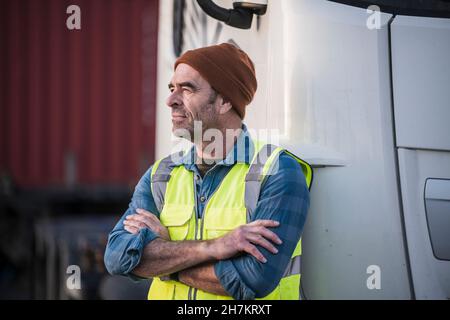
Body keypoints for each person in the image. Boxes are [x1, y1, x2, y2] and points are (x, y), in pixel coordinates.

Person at [104, 43, 312, 300]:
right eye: (171, 88)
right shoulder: (161, 174)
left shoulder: (277, 171)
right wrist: (213, 248)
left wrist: (166, 259)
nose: (170, 100)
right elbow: (117, 257)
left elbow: (252, 280)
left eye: (187, 89)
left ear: (225, 101)